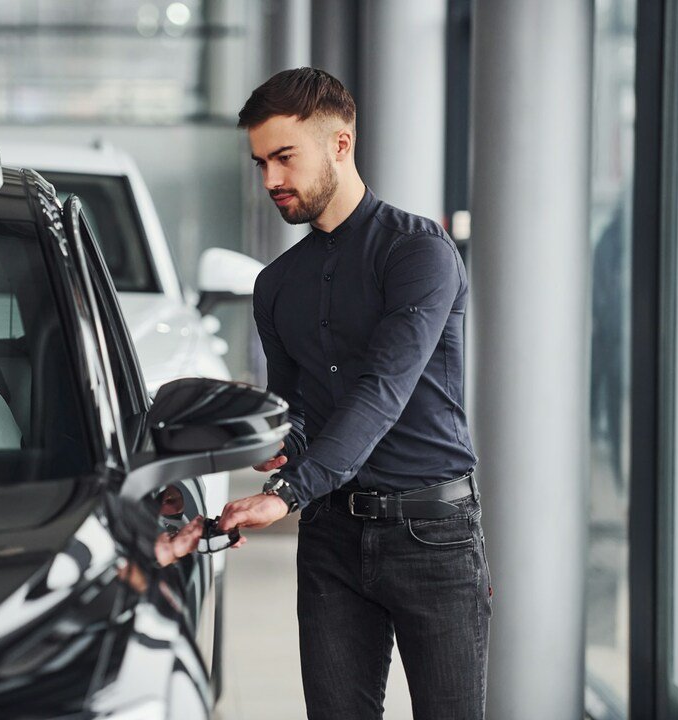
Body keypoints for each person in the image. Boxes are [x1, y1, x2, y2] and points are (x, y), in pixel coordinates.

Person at [217, 68, 491, 719]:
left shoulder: (418, 254)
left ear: (341, 144)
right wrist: (275, 444)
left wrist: (286, 493)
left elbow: (381, 392)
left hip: (432, 534)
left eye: (285, 157)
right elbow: (296, 412)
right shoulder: (276, 284)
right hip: (331, 537)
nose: (271, 180)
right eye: (261, 163)